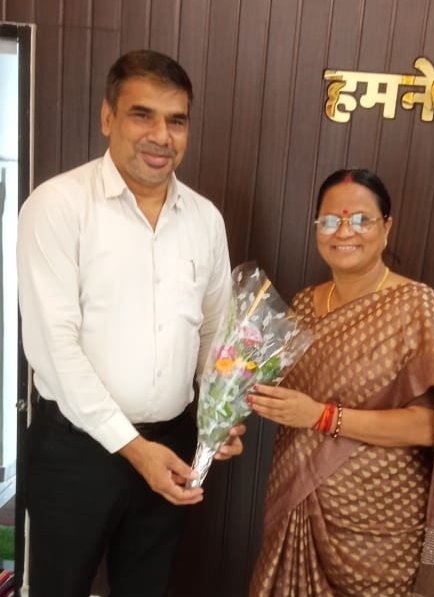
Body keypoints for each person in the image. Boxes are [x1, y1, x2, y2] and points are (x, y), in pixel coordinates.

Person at [17, 49, 244, 597]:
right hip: (75, 449)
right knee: (58, 587)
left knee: (148, 587)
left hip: (173, 441)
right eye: (143, 115)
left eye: (176, 121)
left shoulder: (205, 219)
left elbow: (216, 332)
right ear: (107, 117)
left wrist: (222, 413)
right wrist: (134, 449)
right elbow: (54, 349)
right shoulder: (58, 205)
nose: (161, 136)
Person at [248, 169, 434, 596]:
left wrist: (320, 416)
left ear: (386, 228)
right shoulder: (303, 304)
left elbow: (432, 427)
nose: (344, 232)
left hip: (380, 525)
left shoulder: (416, 306)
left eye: (360, 220)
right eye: (330, 221)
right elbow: (279, 393)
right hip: (300, 504)